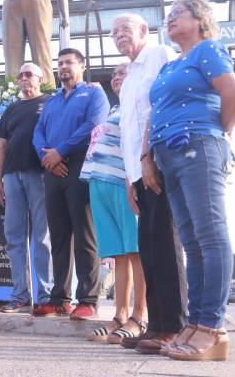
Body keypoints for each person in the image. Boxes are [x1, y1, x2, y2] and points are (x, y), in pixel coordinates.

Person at [147, 0, 235, 361]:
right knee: (191, 240)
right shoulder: (171, 65)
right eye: (168, 16)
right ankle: (194, 322)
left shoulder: (208, 50)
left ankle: (211, 327)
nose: (169, 20)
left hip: (198, 145)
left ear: (200, 19)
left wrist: (218, 134)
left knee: (210, 234)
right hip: (168, 154)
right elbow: (154, 110)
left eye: (178, 14)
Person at [108, 13, 188, 352]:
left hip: (157, 163)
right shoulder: (127, 81)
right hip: (138, 173)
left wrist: (148, 159)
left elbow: (161, 111)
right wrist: (129, 180)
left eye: (125, 29)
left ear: (144, 30)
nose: (119, 36)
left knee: (167, 247)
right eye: (113, 33)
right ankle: (155, 325)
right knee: (149, 249)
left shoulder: (159, 55)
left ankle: (175, 326)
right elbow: (127, 133)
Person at [32, 48, 109, 320]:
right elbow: (38, 131)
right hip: (53, 169)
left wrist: (60, 151)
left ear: (82, 66)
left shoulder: (94, 94)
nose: (63, 67)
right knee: (59, 237)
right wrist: (47, 155)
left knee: (85, 234)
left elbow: (93, 125)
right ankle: (59, 299)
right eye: (60, 63)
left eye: (69, 62)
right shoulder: (51, 101)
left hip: (80, 166)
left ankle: (88, 299)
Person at [80, 64, 147, 342]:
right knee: (117, 253)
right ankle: (119, 315)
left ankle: (139, 316)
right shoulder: (113, 110)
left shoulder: (138, 107)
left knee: (135, 250)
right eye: (115, 75)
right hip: (99, 183)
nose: (117, 78)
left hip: (124, 182)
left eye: (124, 73)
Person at [0, 63, 53, 313]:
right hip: (11, 176)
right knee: (14, 237)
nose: (24, 79)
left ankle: (45, 297)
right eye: (21, 76)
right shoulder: (12, 109)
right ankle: (19, 295)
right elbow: (1, 145)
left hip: (39, 174)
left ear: (40, 78)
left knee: (41, 236)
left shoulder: (51, 102)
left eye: (29, 74)